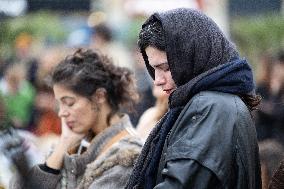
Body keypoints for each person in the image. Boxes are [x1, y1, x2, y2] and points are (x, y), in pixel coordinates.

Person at [126, 8, 262, 189]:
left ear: (192, 56)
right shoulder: (213, 103)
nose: (157, 80)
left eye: (166, 68)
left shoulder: (210, 107)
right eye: (154, 69)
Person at [10, 49, 142, 189]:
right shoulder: (76, 142)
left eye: (69, 103)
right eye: (59, 104)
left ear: (99, 96)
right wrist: (63, 145)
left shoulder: (126, 156)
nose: (61, 113)